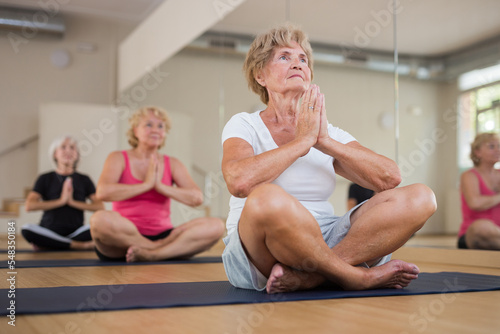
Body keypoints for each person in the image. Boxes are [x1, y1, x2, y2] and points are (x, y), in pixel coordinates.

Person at [221, 24, 437, 294]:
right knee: (265, 197)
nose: (297, 64)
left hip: (326, 239)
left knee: (421, 197)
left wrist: (324, 141)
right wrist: (302, 142)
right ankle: (356, 276)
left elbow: (389, 177)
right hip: (261, 247)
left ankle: (313, 277)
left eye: (303, 59)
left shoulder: (326, 132)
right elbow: (239, 181)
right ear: (260, 76)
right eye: (284, 57)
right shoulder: (244, 124)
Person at [90, 106, 225, 262]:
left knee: (216, 225)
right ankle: (158, 249)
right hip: (123, 237)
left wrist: (161, 187)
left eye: (160, 126)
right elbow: (103, 192)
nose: (155, 129)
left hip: (164, 235)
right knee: (99, 220)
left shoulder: (172, 163)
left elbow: (196, 198)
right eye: (148, 124)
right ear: (135, 131)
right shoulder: (118, 158)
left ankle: (153, 254)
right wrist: (146, 185)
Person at [22, 135, 103, 250]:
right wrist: (61, 201)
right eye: (63, 147)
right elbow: (29, 206)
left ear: (77, 155)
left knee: (99, 227)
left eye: (72, 148)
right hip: (49, 231)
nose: (68, 151)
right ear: (55, 154)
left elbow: (99, 206)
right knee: (27, 229)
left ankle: (53, 244)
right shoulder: (45, 178)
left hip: (76, 232)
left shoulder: (84, 179)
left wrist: (71, 202)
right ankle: (78, 245)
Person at [458, 132, 500, 250]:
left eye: (499, 146)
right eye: (492, 146)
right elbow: (475, 203)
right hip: (474, 235)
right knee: (481, 227)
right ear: (478, 152)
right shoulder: (469, 175)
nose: (497, 150)